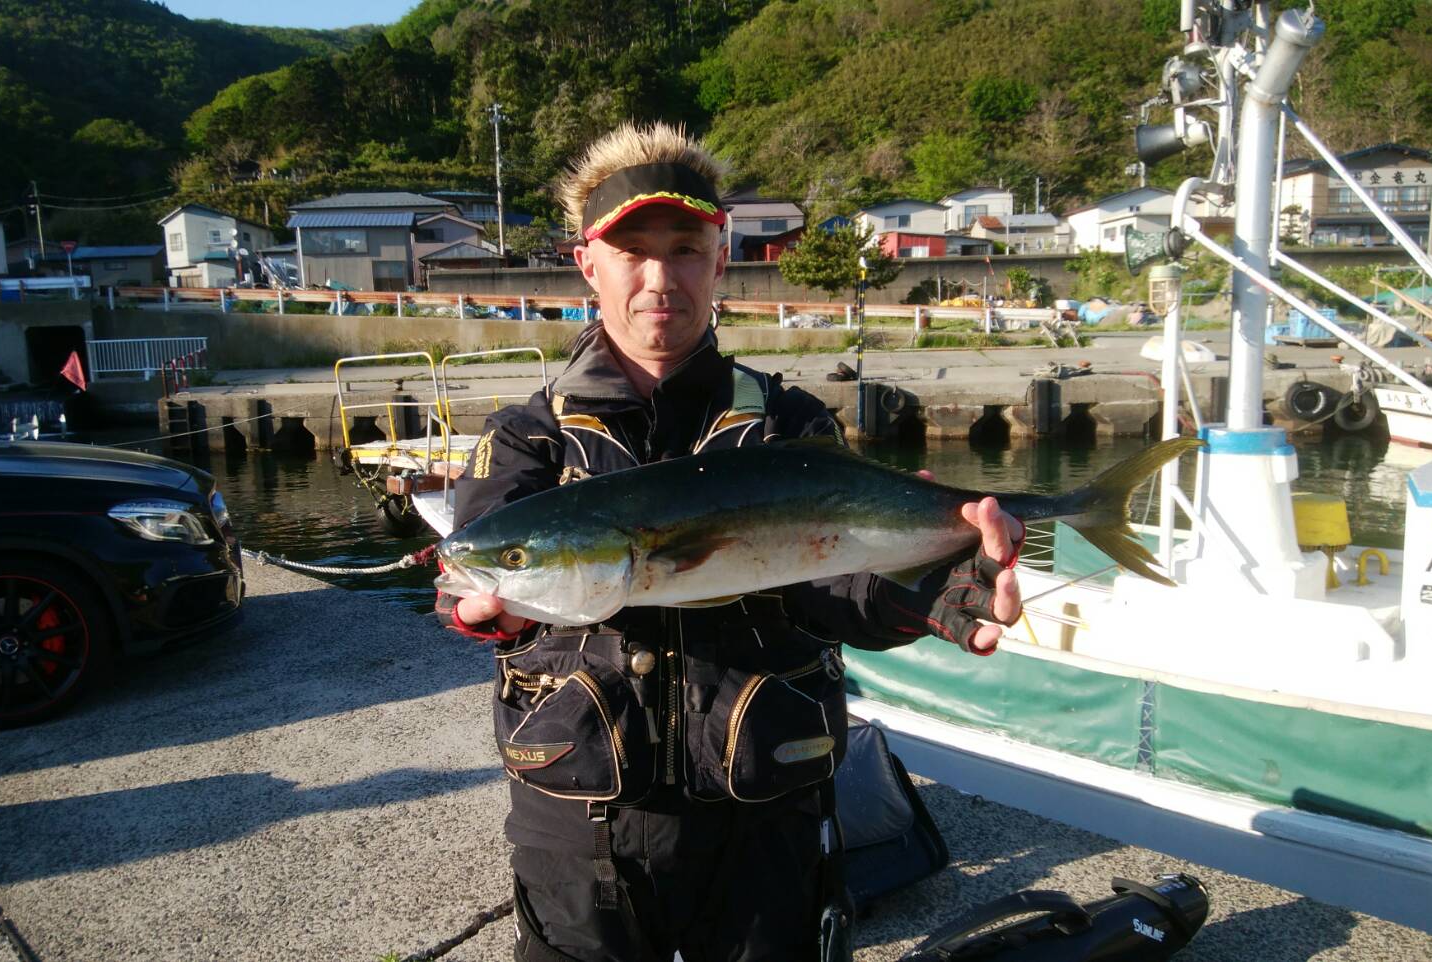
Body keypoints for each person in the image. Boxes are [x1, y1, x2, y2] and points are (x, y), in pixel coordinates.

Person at [436, 121, 1024, 962]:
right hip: (579, 820)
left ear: (719, 260)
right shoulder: (526, 439)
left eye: (684, 249)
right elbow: (473, 573)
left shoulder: (789, 427)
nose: (659, 278)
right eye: (632, 252)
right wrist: (486, 611)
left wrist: (928, 583)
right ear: (587, 264)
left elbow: (836, 584)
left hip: (764, 814)